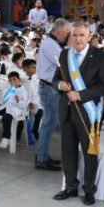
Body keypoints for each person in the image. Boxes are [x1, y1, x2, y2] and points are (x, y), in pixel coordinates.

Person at [53, 21, 104, 205]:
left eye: (82, 35)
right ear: (71, 36)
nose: (78, 39)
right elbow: (55, 80)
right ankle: (70, 187)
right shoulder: (64, 55)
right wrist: (60, 85)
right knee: (68, 151)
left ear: (89, 37)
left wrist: (80, 94)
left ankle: (89, 189)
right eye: (75, 35)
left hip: (89, 113)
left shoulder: (101, 56)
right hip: (67, 112)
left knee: (89, 153)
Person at [34, 19, 69, 171]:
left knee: (50, 123)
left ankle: (43, 155)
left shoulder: (52, 43)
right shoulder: (51, 44)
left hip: (49, 87)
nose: (68, 36)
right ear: (59, 32)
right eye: (67, 34)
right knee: (49, 123)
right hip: (49, 88)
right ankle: (41, 158)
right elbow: (65, 61)